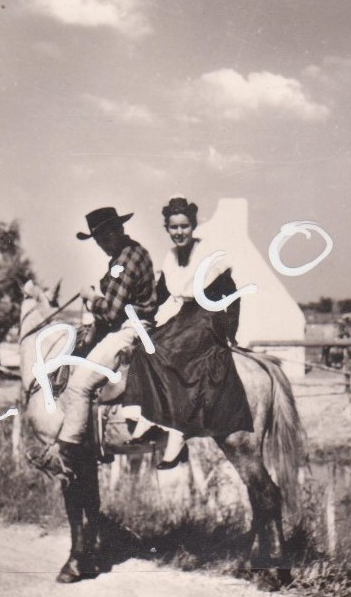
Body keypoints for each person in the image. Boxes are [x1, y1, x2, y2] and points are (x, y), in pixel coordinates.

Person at [121, 197, 254, 469]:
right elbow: (159, 296)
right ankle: (149, 415)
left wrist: (230, 333)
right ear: (167, 229)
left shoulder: (208, 255)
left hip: (209, 318)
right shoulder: (170, 258)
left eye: (184, 227)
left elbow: (233, 296)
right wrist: (136, 316)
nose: (179, 232)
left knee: (167, 350)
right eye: (174, 227)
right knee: (146, 346)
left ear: (193, 227)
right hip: (186, 318)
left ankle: (178, 432)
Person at [40, 206, 158, 480]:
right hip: (130, 325)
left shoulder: (124, 260)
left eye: (105, 239)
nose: (103, 246)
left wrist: (90, 296)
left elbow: (111, 311)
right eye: (99, 241)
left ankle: (66, 451)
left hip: (131, 328)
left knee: (79, 383)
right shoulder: (129, 253)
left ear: (117, 231)